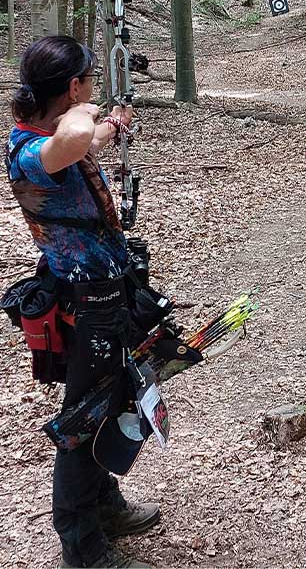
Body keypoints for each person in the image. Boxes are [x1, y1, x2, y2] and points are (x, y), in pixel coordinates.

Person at [6, 36, 159, 569]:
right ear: (71, 88)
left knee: (114, 400)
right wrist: (93, 112)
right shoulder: (28, 152)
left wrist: (110, 124)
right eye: (86, 81)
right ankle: (82, 545)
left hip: (105, 292)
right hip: (85, 298)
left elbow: (83, 138)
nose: (91, 90)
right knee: (84, 419)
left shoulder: (54, 135)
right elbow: (74, 139)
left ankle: (103, 504)